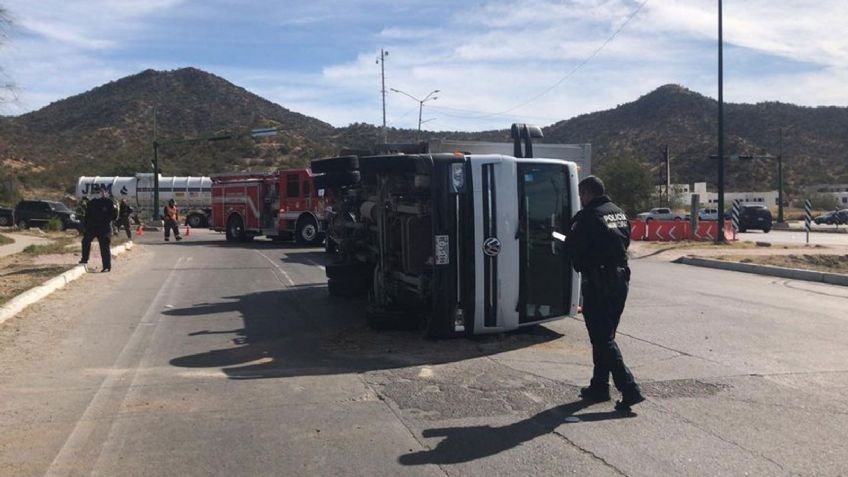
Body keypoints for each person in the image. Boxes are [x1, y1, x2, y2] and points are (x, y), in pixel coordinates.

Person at [563, 175, 644, 412]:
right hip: (620, 281)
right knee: (605, 335)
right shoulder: (617, 212)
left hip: (599, 281)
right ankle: (599, 385)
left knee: (602, 338)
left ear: (587, 193)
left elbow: (572, 248)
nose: (581, 199)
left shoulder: (588, 216)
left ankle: (629, 389)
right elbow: (624, 242)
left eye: (581, 195)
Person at [79, 189, 117, 272]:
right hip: (92, 227)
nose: (96, 194)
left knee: (104, 247)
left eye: (99, 192)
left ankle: (106, 266)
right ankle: (84, 259)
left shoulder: (108, 202)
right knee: (85, 241)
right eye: (94, 193)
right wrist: (85, 226)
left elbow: (114, 215)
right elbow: (87, 216)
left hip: (104, 228)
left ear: (103, 193)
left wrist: (108, 219)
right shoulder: (91, 203)